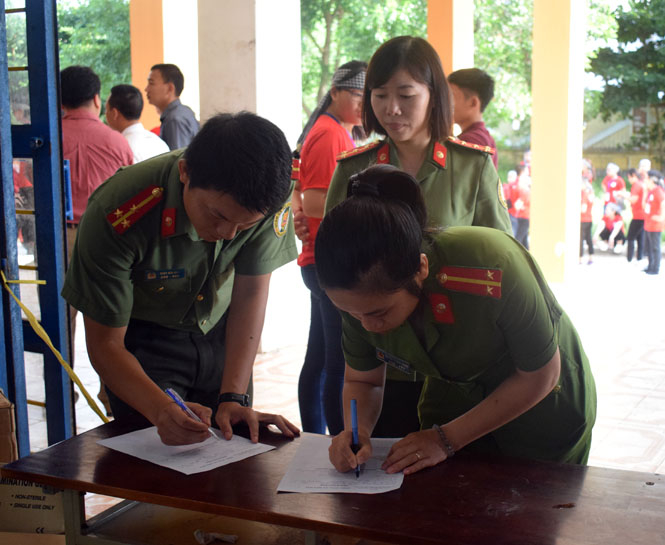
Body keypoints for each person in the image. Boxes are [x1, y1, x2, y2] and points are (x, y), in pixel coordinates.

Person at [316, 165, 596, 475]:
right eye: (352, 314)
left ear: (420, 270)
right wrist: (357, 434)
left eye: (378, 314)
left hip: (542, 409)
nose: (366, 325)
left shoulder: (492, 266)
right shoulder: (357, 297)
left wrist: (445, 440)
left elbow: (540, 375)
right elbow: (363, 381)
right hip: (455, 401)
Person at [61, 112, 300, 446]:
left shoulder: (268, 197)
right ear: (185, 173)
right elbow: (105, 344)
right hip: (145, 343)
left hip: (223, 331)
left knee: (232, 462)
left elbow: (249, 294)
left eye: (243, 227)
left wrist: (234, 395)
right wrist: (159, 409)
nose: (226, 234)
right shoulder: (119, 211)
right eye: (218, 216)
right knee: (155, 465)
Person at [324, 36, 511, 439]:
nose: (392, 109)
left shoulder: (472, 167)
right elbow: (339, 265)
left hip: (459, 364)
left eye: (406, 95)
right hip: (383, 362)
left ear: (434, 95)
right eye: (379, 95)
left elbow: (503, 264)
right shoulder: (352, 171)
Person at [291, 60, 367, 435]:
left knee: (320, 358)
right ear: (335, 92)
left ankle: (316, 437)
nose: (362, 102)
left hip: (322, 259)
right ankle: (337, 440)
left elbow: (301, 194)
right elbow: (317, 200)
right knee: (336, 363)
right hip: (326, 262)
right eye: (357, 94)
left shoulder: (336, 131)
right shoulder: (330, 134)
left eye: (366, 96)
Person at [60, 65, 134, 414]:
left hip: (59, 238)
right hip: (109, 243)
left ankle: (63, 393)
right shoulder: (117, 142)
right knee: (110, 324)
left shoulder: (49, 138)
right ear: (95, 98)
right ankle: (112, 396)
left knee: (62, 319)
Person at [447, 68, 498, 169]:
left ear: (473, 102)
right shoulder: (482, 136)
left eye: (451, 96)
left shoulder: (472, 141)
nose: (445, 102)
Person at [105, 84, 170, 163]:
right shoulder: (159, 143)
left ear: (115, 113)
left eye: (106, 109)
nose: (105, 114)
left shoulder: (120, 149)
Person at [145, 63, 200, 150]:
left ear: (170, 88)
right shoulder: (183, 112)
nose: (146, 89)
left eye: (151, 83)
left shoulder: (175, 119)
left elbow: (177, 160)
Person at [643, 169, 665, 275]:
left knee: (655, 247)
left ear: (651, 180)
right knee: (650, 247)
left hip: (655, 225)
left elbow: (663, 203)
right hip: (649, 224)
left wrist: (661, 216)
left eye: (646, 178)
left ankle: (655, 268)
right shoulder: (651, 191)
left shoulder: (658, 191)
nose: (644, 180)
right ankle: (650, 265)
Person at [625, 168, 646, 263]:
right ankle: (639, 258)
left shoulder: (637, 185)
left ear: (633, 175)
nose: (628, 180)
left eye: (629, 177)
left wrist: (623, 195)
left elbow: (634, 199)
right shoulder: (641, 184)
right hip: (642, 215)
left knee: (630, 237)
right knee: (640, 238)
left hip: (638, 216)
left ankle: (629, 258)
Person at [512, 165, 531, 249]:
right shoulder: (524, 190)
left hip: (522, 216)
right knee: (520, 240)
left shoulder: (522, 189)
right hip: (522, 217)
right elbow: (517, 206)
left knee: (522, 240)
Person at [580, 167, 595, 265]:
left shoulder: (584, 194)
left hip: (583, 219)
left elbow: (583, 209)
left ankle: (580, 258)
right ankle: (591, 257)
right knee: (588, 238)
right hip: (589, 219)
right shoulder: (589, 193)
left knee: (580, 239)